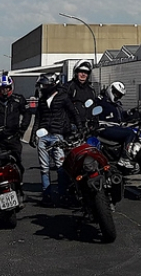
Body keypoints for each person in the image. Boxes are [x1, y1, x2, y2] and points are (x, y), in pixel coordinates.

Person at [30, 73, 82, 206]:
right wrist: (33, 135)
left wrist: (80, 128)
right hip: (43, 136)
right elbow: (38, 118)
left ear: (53, 84)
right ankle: (47, 195)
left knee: (60, 167)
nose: (43, 87)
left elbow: (73, 113)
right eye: (42, 85)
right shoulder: (42, 100)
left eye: (46, 85)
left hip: (58, 135)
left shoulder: (63, 97)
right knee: (44, 168)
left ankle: (62, 194)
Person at [0, 74, 32, 180]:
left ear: (10, 87)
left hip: (13, 137)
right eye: (2, 88)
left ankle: (18, 185)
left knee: (17, 163)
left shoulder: (18, 99)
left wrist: (22, 129)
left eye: (6, 88)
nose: (4, 90)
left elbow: (27, 114)